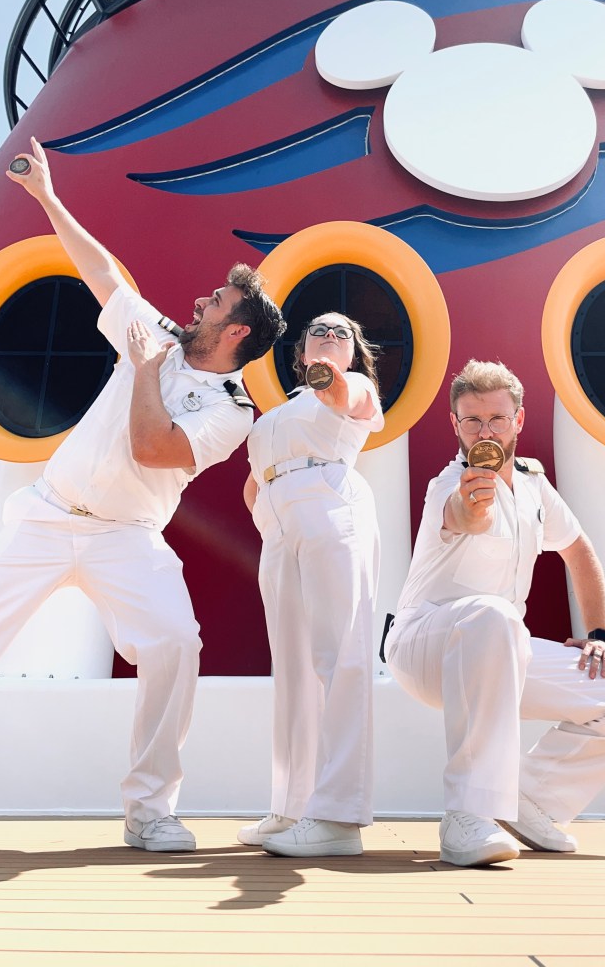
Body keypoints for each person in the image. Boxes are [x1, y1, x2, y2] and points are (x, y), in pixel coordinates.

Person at [0, 138, 286, 853]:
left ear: (235, 331)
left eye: (219, 300)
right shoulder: (154, 334)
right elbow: (101, 271)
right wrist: (48, 197)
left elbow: (154, 449)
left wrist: (146, 374)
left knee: (176, 643)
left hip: (128, 538)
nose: (203, 298)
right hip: (48, 516)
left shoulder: (235, 411)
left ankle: (150, 810)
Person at [384, 359, 605, 868]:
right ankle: (468, 815)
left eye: (496, 418)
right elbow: (464, 514)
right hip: (424, 646)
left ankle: (528, 797)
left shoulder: (535, 485)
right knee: (494, 616)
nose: (485, 430)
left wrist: (599, 631)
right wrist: (473, 505)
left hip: (500, 647)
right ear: (455, 424)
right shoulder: (448, 485)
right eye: (472, 420)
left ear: (518, 420)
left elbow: (580, 552)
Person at [237, 313, 384, 856]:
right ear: (298, 353)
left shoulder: (353, 385)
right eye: (318, 331)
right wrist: (268, 521)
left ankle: (339, 817)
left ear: (354, 351)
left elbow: (346, 399)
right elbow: (255, 482)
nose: (329, 335)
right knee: (294, 666)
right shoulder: (279, 414)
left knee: (340, 655)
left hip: (330, 503)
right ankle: (292, 805)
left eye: (343, 331)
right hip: (280, 524)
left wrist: (332, 377)